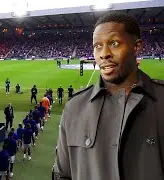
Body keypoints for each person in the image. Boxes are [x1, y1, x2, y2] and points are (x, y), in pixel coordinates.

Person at [54, 13, 164, 180]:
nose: (104, 54)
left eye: (114, 43)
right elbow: (63, 175)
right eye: (97, 46)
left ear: (137, 47)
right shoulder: (74, 108)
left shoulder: (161, 101)